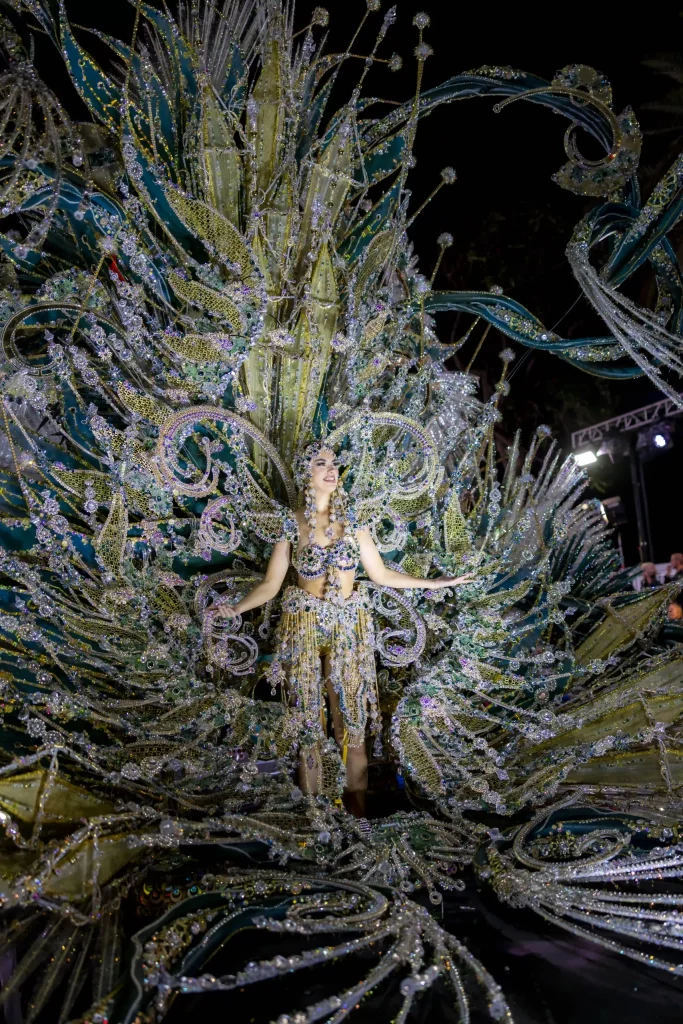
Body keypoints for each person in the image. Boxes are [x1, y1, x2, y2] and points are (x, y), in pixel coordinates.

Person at [211, 443, 474, 816]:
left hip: (348, 627)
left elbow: (380, 574)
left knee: (350, 724)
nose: (331, 470)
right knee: (308, 727)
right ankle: (317, 819)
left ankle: (358, 815)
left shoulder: (355, 522)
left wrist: (432, 583)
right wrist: (235, 608)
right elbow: (272, 585)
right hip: (303, 626)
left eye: (334, 464)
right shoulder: (293, 523)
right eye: (321, 463)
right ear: (307, 473)